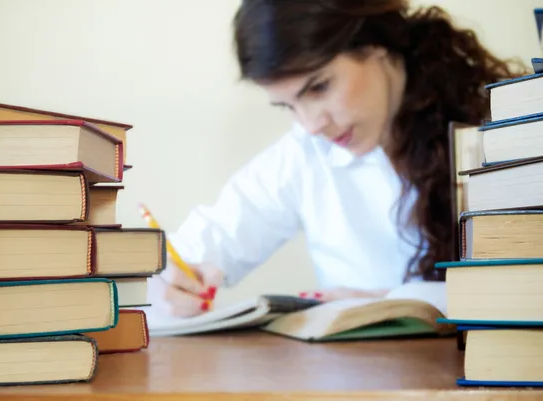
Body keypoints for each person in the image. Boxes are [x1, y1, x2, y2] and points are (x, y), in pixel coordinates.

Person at [146, 0, 525, 319]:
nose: (311, 125)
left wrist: (398, 303)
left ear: (375, 43)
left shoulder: (504, 127)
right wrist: (165, 279)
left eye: (320, 87)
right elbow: (203, 245)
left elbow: (526, 286)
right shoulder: (305, 154)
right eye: (287, 106)